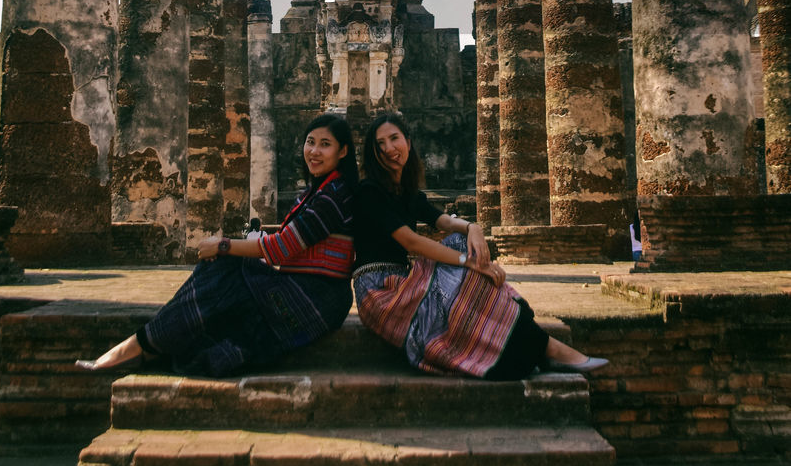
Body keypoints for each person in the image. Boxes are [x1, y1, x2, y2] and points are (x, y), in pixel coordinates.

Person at [76, 113, 358, 377]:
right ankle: (149, 344)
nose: (314, 151)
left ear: (342, 151)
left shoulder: (335, 195)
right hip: (303, 290)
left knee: (225, 266)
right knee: (222, 303)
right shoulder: (316, 192)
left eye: (325, 145)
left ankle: (141, 345)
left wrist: (224, 245)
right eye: (310, 142)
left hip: (317, 299)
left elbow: (281, 248)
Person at [353, 113, 608, 379]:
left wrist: (473, 228)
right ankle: (551, 349)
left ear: (408, 140)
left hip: (403, 280)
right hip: (378, 291)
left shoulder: (405, 192)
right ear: (373, 152)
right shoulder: (369, 191)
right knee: (462, 265)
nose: (389, 149)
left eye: (394, 139)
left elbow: (443, 221)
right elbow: (411, 241)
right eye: (380, 143)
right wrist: (469, 262)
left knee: (461, 242)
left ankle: (534, 343)